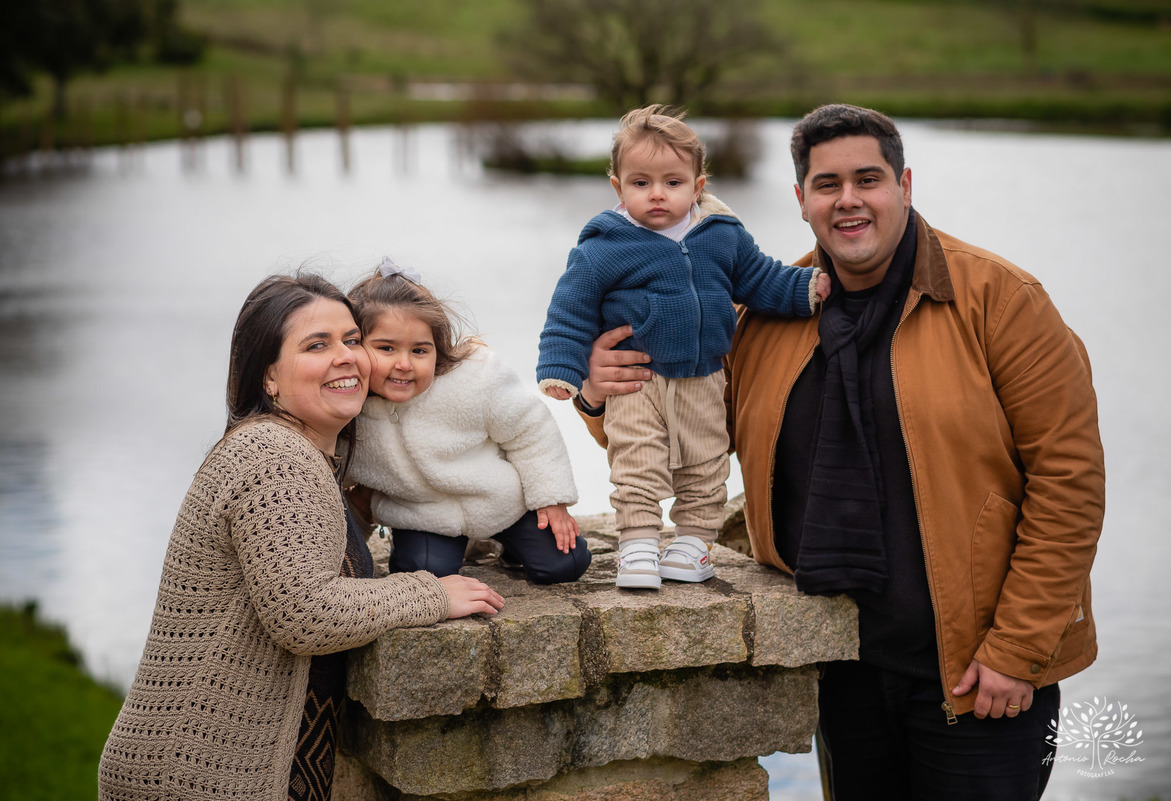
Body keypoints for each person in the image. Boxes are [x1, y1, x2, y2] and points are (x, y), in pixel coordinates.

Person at [577, 104, 1104, 800]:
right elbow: (679, 441)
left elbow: (1069, 485)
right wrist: (596, 393)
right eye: (827, 184)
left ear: (905, 184)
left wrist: (1017, 649)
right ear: (801, 200)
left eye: (868, 179)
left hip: (979, 674)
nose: (848, 200)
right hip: (839, 667)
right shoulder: (764, 312)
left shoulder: (1002, 302)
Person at [98, 273, 505, 801]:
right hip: (195, 775)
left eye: (352, 340)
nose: (347, 357)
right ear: (269, 377)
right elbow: (304, 613)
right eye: (318, 345)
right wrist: (429, 592)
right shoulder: (276, 457)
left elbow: (315, 553)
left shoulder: (302, 454)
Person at [536, 105, 830, 590]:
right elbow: (570, 310)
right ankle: (638, 547)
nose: (657, 194)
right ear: (618, 187)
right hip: (639, 380)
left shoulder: (721, 235)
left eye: (673, 182)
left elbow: (759, 278)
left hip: (704, 377)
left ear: (698, 186)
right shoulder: (604, 246)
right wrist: (561, 369)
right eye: (640, 183)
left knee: (707, 462)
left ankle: (692, 546)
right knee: (636, 461)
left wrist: (805, 289)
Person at [346, 259, 590, 585]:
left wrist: (551, 499)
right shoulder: (346, 408)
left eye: (420, 350)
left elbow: (530, 430)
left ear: (439, 349)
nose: (404, 364)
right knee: (423, 575)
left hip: (503, 503)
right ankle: (453, 547)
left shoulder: (473, 380)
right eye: (386, 348)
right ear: (355, 347)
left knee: (566, 564)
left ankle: (509, 547)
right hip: (425, 518)